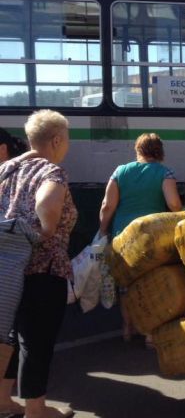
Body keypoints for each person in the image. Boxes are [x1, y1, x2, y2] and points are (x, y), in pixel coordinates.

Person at [0, 110, 77, 418]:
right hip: (43, 269)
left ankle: (4, 401)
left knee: (9, 336)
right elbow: (48, 203)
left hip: (6, 268)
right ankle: (36, 409)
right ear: (56, 140)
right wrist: (44, 230)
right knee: (36, 340)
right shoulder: (51, 172)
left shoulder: (6, 169)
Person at [99, 133, 182, 342]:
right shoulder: (165, 172)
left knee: (126, 285)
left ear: (138, 150)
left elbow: (107, 206)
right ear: (160, 151)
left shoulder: (120, 171)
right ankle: (149, 334)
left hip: (123, 236)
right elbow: (174, 204)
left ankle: (127, 328)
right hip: (152, 239)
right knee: (151, 284)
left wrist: (102, 230)